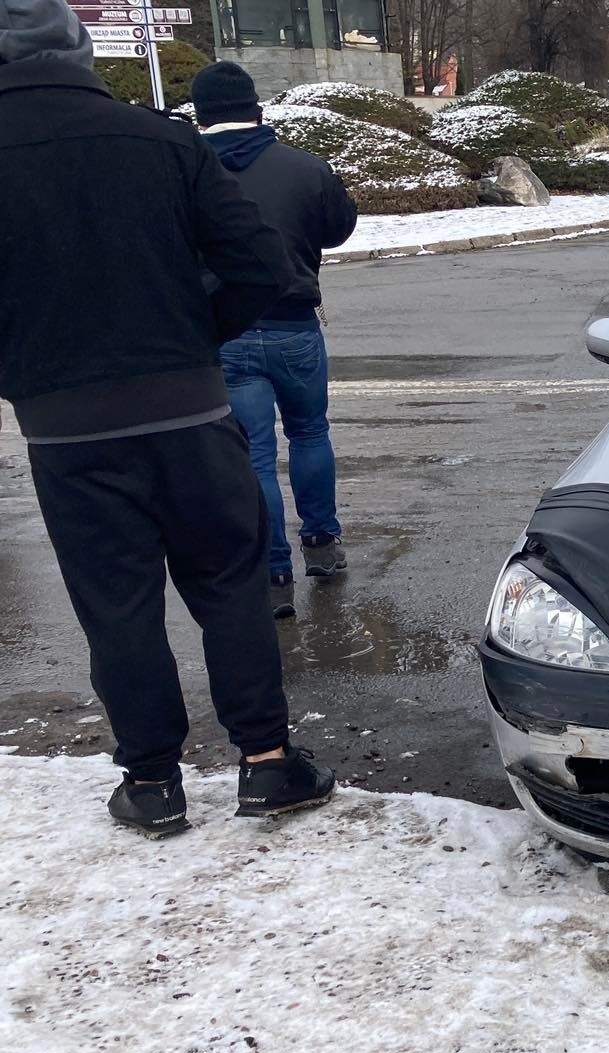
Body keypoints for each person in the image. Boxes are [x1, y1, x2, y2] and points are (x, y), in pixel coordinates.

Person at [0, 0, 334, 838]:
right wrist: (196, 338)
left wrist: (26, 379)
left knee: (115, 604)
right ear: (80, 54)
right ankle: (265, 764)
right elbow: (267, 269)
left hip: (64, 426)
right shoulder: (166, 141)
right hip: (190, 408)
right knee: (229, 584)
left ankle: (151, 781)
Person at [190, 62, 359, 619]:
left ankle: (274, 573)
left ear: (200, 114)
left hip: (225, 331)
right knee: (311, 433)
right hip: (294, 324)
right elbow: (338, 227)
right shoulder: (304, 167)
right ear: (256, 108)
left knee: (254, 456)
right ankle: (324, 547)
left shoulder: (186, 169)